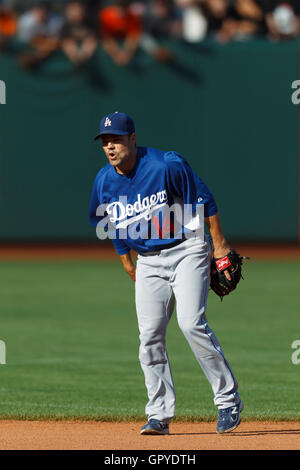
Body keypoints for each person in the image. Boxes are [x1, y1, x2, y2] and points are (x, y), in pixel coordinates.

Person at [89, 111, 243, 434]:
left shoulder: (165, 165)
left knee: (191, 323)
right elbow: (112, 221)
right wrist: (125, 260)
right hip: (147, 259)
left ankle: (228, 400)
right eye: (105, 141)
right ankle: (159, 413)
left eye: (116, 139)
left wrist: (219, 245)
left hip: (186, 248)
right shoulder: (104, 181)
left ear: (133, 138)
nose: (110, 147)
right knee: (149, 337)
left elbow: (205, 201)